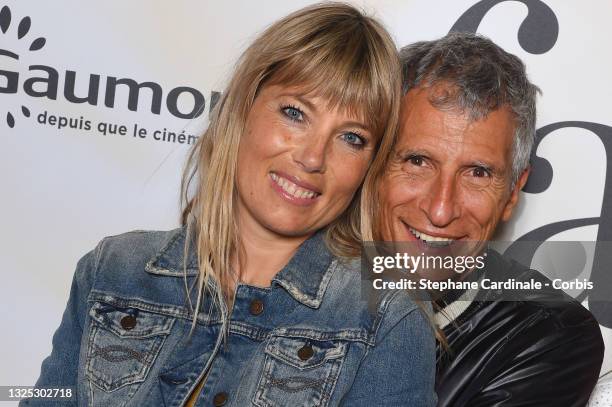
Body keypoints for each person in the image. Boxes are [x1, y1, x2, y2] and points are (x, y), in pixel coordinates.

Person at [23, 3, 437, 407]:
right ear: (243, 108)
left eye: (352, 138)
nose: (313, 158)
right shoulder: (114, 270)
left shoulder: (386, 319)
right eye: (295, 113)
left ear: (369, 165)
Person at [365, 32, 604, 406]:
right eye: (417, 161)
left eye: (477, 173)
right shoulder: (284, 273)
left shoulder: (547, 336)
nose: (441, 209)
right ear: (371, 165)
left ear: (512, 193)